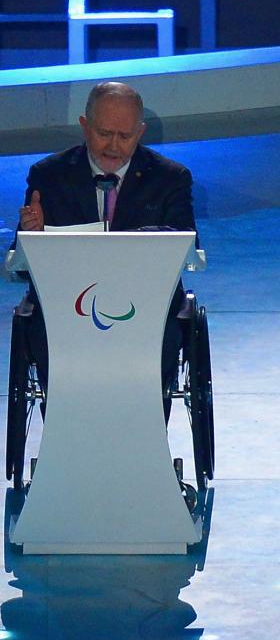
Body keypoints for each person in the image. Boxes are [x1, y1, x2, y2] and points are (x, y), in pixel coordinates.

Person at [16, 81, 197, 415]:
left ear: (140, 132)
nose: (113, 146)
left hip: (147, 306)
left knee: (166, 337)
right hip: (65, 307)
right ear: (85, 126)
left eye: (125, 136)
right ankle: (64, 437)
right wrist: (33, 233)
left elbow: (184, 242)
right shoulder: (49, 175)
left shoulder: (170, 178)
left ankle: (145, 437)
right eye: (104, 133)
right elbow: (21, 263)